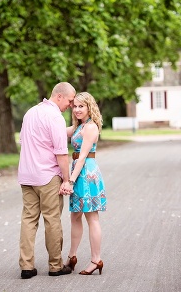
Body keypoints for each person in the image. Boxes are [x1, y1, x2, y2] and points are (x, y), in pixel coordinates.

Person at [17, 82, 76, 279]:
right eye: (69, 100)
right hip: (48, 177)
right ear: (59, 96)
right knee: (52, 220)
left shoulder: (30, 112)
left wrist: (75, 127)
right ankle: (55, 265)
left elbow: (26, 141)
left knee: (28, 220)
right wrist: (66, 180)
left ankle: (26, 266)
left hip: (27, 176)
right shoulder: (55, 117)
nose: (70, 105)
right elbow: (61, 153)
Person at [64, 92, 106, 275]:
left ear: (90, 107)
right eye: (75, 106)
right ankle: (72, 256)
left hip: (86, 173)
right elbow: (56, 130)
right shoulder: (79, 126)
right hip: (77, 171)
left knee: (92, 218)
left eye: (81, 106)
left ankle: (96, 260)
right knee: (75, 216)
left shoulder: (90, 127)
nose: (77, 109)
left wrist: (71, 180)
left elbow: (82, 158)